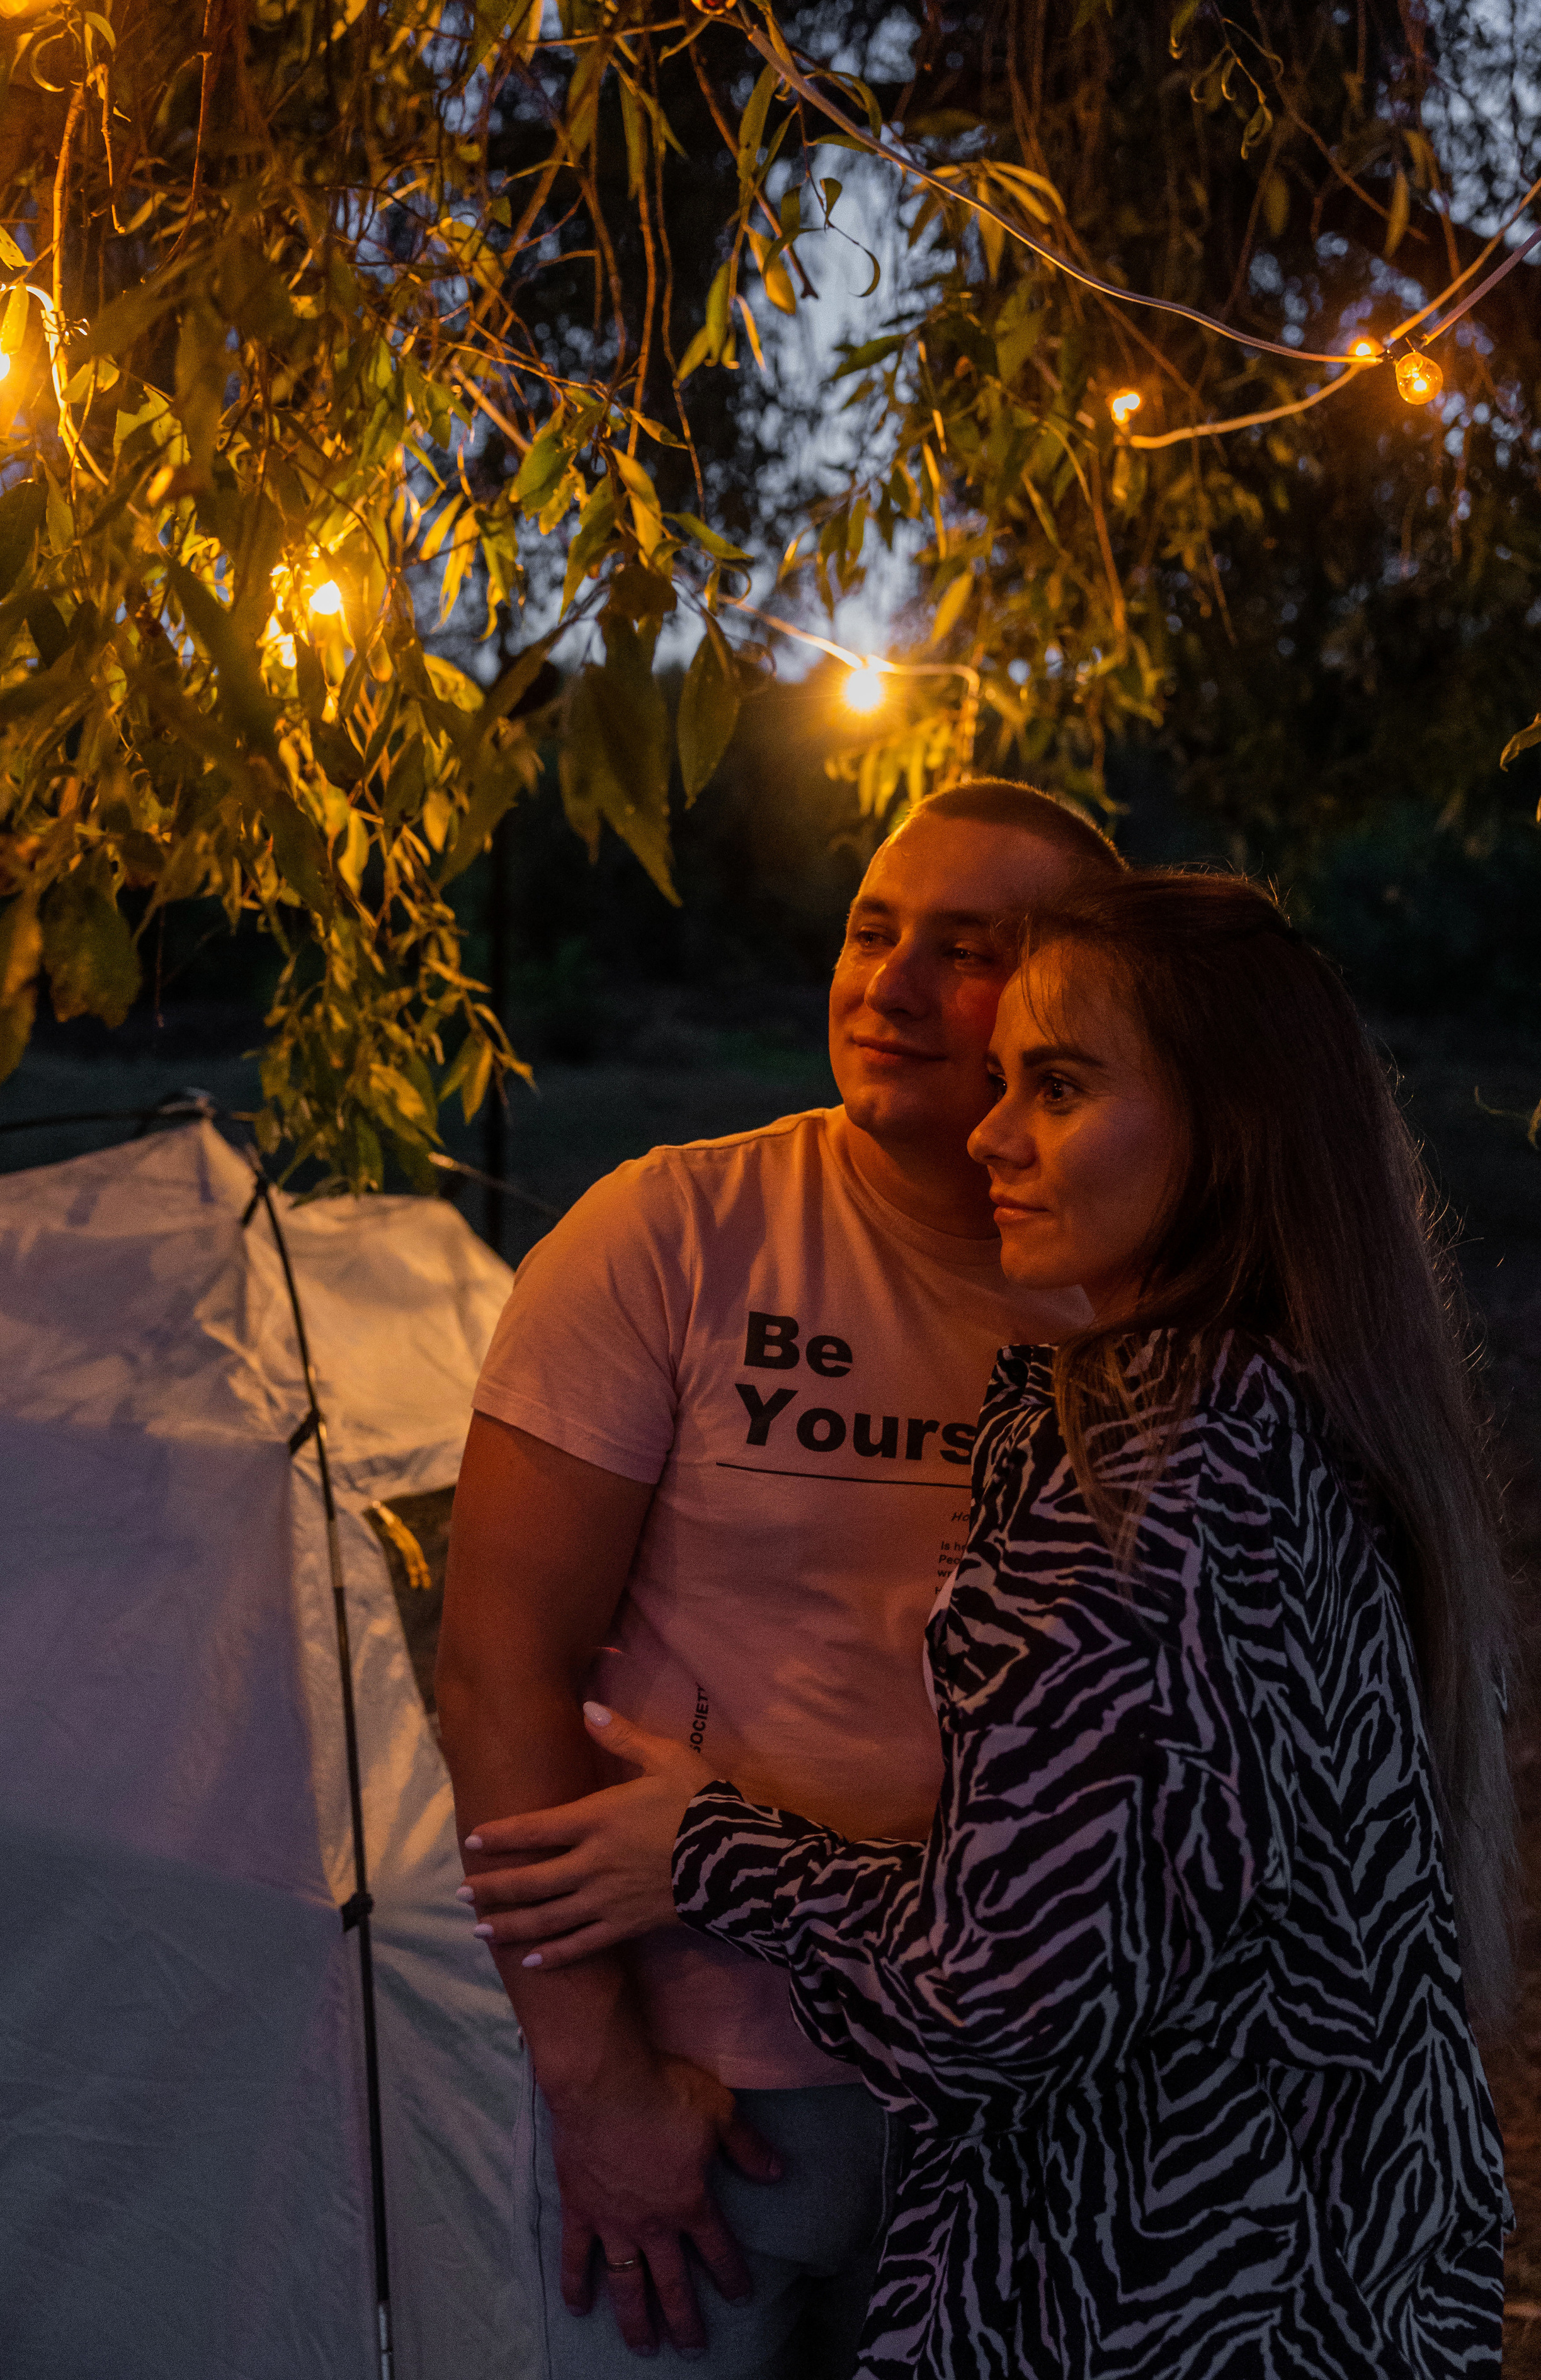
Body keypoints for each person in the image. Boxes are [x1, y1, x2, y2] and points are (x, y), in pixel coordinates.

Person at [462, 870, 1513, 2379]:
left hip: (1140, 2281)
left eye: (1060, 1087)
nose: (993, 1134)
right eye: (1006, 1081)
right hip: (1333, 2253)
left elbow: (991, 1997)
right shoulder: (1311, 1405)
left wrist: (702, 1846)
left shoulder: (1148, 1459)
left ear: (1233, 1121)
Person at [435, 781, 1124, 2372]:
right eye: (870, 929)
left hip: (1030, 2099)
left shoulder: (1144, 1292)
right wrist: (594, 2079)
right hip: (713, 2094)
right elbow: (499, 1675)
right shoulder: (669, 1234)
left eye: (967, 950)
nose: (885, 985)